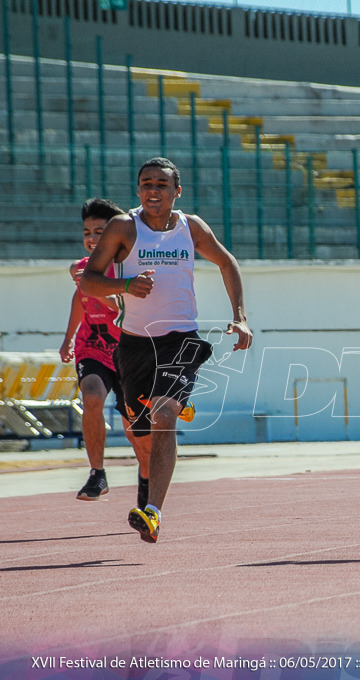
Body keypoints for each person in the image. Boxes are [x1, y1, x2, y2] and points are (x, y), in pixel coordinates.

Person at [81, 157, 253, 543]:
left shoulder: (191, 228)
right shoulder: (124, 227)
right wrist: (125, 287)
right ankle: (169, 417)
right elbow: (90, 282)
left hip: (180, 340)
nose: (153, 190)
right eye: (146, 184)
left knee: (164, 413)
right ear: (138, 190)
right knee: (140, 431)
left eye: (161, 184)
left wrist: (239, 316)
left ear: (177, 191)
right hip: (135, 345)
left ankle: (153, 511)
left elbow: (227, 263)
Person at [59, 198, 151, 507]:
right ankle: (97, 473)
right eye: (87, 232)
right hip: (93, 349)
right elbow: (78, 299)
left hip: (128, 352)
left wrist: (103, 287)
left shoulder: (128, 266)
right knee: (92, 394)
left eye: (100, 232)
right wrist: (69, 338)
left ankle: (148, 483)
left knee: (135, 430)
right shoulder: (81, 269)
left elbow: (121, 306)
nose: (91, 238)